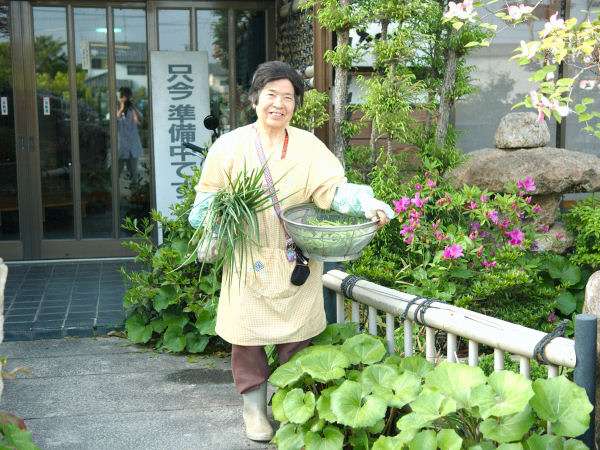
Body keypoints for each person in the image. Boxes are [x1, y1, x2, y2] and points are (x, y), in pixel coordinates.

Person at [188, 61, 394, 442]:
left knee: (297, 339)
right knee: (246, 339)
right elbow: (204, 203)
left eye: (288, 97)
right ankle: (254, 411)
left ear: (296, 104)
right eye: (271, 95)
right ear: (254, 99)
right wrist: (215, 224)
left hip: (293, 257)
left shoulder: (309, 146)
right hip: (246, 259)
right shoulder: (228, 146)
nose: (278, 104)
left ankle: (292, 406)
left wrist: (367, 204)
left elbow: (333, 189)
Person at [117, 86, 143, 181]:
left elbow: (140, 122)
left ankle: (135, 194)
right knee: (116, 173)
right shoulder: (116, 109)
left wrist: (134, 107)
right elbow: (113, 121)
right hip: (121, 147)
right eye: (121, 97)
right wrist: (121, 108)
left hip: (133, 147)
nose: (121, 99)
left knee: (134, 174)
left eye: (123, 97)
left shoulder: (133, 110)